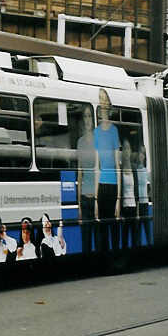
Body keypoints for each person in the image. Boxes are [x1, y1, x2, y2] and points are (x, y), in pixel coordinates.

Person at [94, 88, 121, 252]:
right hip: (102, 186)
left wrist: (118, 198)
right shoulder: (96, 132)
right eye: (101, 103)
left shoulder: (114, 131)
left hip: (112, 187)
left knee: (113, 225)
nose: (104, 107)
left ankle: (115, 255)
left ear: (109, 108)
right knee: (103, 227)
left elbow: (117, 166)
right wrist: (96, 199)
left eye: (106, 103)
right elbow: (97, 167)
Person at [76, 106, 99, 254]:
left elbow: (98, 171)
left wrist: (97, 200)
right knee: (85, 238)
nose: (87, 120)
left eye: (90, 116)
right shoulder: (80, 142)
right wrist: (78, 204)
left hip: (96, 197)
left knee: (97, 237)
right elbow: (80, 173)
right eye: (85, 116)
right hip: (84, 197)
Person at [118, 139, 139, 249]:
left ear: (130, 151)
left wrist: (138, 211)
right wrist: (120, 211)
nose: (126, 151)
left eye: (128, 148)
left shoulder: (134, 168)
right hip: (124, 208)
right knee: (125, 237)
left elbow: (136, 190)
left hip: (133, 207)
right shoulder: (119, 169)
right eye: (124, 149)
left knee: (135, 237)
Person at [135, 146, 152, 246]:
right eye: (141, 153)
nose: (142, 156)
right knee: (138, 230)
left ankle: (150, 245)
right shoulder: (136, 170)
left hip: (145, 203)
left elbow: (149, 186)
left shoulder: (146, 171)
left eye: (144, 154)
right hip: (138, 203)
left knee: (147, 228)